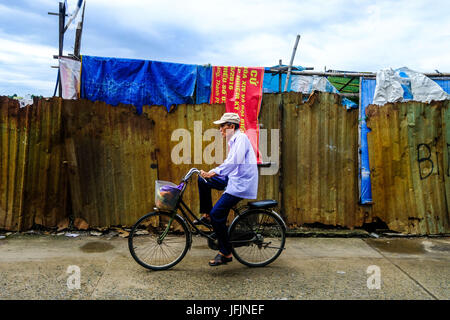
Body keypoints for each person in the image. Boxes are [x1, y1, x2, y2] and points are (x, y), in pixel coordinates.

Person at [197, 112, 258, 266]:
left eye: (222, 126)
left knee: (217, 214)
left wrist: (214, 172)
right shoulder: (235, 140)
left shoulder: (241, 139)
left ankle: (226, 252)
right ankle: (207, 214)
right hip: (233, 179)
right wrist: (211, 173)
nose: (220, 130)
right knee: (202, 179)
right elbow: (230, 163)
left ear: (231, 126)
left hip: (240, 184)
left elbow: (234, 162)